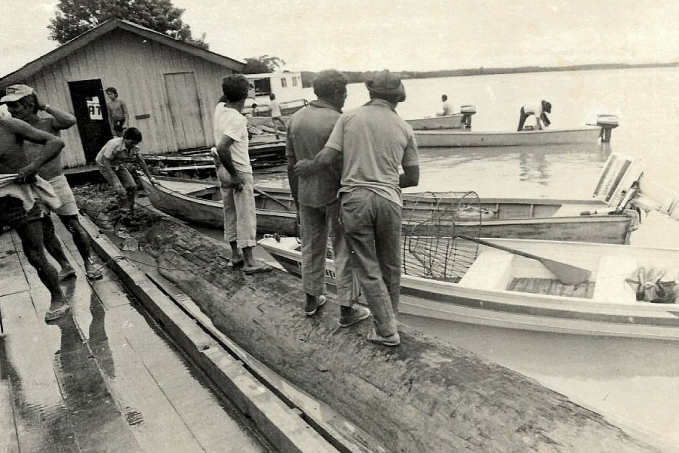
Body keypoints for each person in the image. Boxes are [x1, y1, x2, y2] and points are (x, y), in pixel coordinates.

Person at [296, 70, 420, 346]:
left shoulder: (349, 117)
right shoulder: (405, 128)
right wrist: (385, 180)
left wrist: (308, 167)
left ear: (370, 91)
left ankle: (386, 330)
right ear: (397, 98)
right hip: (389, 200)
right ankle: (389, 321)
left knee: (365, 264)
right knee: (390, 264)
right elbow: (413, 178)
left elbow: (327, 158)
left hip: (354, 201)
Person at [286, 69, 371, 325]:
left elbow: (291, 164)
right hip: (336, 195)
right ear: (336, 93)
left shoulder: (296, 119)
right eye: (343, 93)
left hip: (306, 193)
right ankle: (347, 309)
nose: (345, 98)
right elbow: (351, 164)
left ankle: (311, 299)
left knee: (311, 246)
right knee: (345, 250)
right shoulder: (340, 121)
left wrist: (296, 198)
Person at [3, 84, 103, 280]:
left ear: (29, 104)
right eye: (9, 106)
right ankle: (65, 265)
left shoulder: (48, 124)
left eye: (15, 106)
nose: (11, 110)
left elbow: (70, 120)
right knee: (46, 229)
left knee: (73, 224)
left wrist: (43, 106)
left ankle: (88, 262)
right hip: (32, 186)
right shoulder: (12, 128)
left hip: (55, 180)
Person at [0, 115, 70, 321]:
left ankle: (58, 298)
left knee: (34, 254)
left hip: (19, 196)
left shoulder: (8, 125)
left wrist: (33, 166)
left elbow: (55, 142)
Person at [212, 75, 272, 274]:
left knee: (229, 212)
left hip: (221, 169)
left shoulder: (220, 109)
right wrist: (235, 175)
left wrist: (232, 87)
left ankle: (234, 255)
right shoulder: (238, 119)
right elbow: (222, 147)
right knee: (245, 215)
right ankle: (249, 262)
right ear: (245, 94)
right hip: (237, 170)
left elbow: (224, 97)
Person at [95, 127, 156, 215]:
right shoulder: (115, 144)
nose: (133, 145)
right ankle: (124, 213)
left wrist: (151, 177)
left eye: (136, 143)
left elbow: (140, 161)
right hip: (105, 165)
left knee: (132, 186)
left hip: (118, 164)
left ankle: (130, 208)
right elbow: (105, 160)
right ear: (124, 138)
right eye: (131, 143)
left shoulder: (135, 147)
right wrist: (114, 179)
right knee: (120, 190)